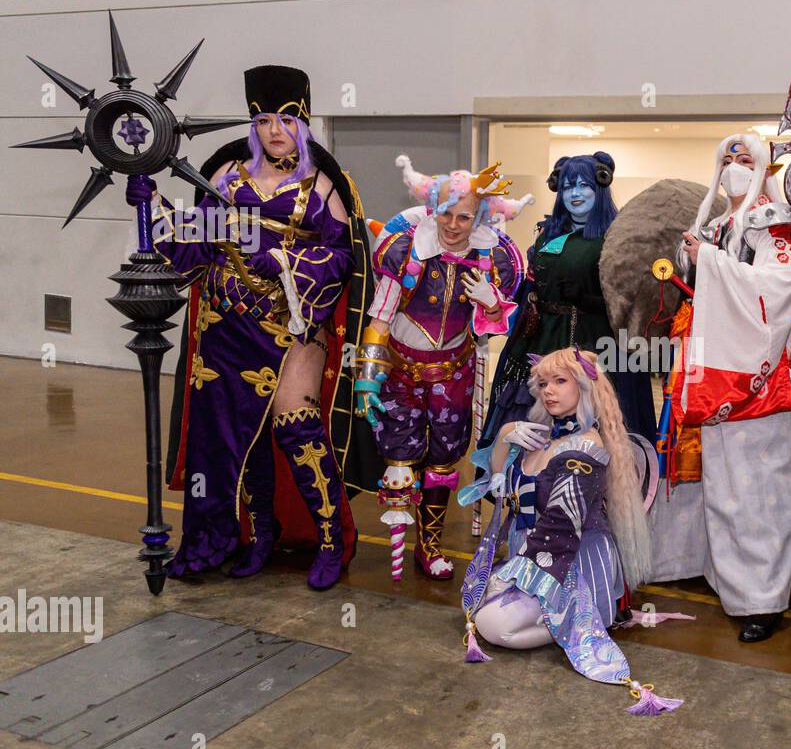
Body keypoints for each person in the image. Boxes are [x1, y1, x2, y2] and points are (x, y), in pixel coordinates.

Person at [147, 64, 377, 590]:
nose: (276, 130)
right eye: (266, 119)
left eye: (288, 119)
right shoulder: (225, 174)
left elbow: (344, 259)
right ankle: (258, 534)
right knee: (230, 435)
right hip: (223, 325)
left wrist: (289, 262)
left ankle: (331, 540)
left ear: (306, 121)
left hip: (292, 323)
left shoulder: (322, 184)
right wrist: (151, 208)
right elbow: (196, 243)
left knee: (295, 424)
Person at [457, 348, 680, 715]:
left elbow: (560, 528)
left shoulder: (587, 445)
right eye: (543, 383)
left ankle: (587, 619)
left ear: (585, 387)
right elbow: (499, 488)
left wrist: (510, 577)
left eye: (560, 381)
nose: (549, 391)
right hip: (529, 560)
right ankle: (551, 617)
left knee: (493, 625)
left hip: (569, 565)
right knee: (475, 605)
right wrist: (504, 437)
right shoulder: (541, 437)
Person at [646, 134, 791, 643]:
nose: (736, 168)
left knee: (758, 492)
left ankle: (762, 598)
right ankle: (727, 578)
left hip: (757, 377)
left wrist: (711, 264)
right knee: (720, 484)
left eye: (746, 160)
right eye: (728, 160)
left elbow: (778, 289)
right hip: (710, 373)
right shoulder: (715, 225)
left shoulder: (775, 222)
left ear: (765, 167)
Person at [355, 156, 530, 579]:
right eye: (446, 214)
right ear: (434, 211)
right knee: (399, 460)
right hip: (400, 371)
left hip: (455, 371)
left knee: (443, 461)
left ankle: (428, 545)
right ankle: (400, 542)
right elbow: (379, 317)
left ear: (479, 217)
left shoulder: (492, 260)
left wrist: (491, 302)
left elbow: (493, 326)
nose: (453, 225)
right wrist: (367, 376)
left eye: (464, 216)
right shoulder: (405, 252)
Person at [480, 153, 656, 445]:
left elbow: (631, 301)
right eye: (567, 186)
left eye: (584, 185)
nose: (575, 193)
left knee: (592, 429)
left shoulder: (617, 236)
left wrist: (590, 299)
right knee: (533, 422)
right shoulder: (547, 233)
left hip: (593, 346)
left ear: (599, 188)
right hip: (541, 340)